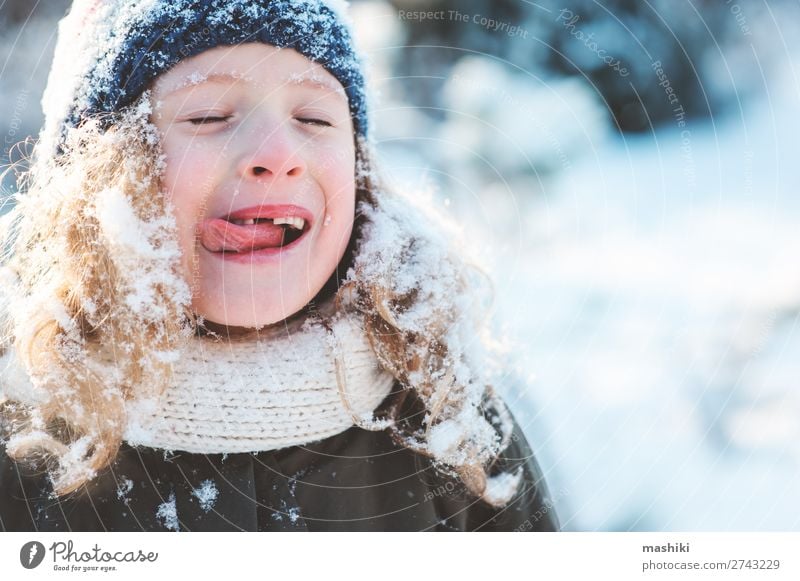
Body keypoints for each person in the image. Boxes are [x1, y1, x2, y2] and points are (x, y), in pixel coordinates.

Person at [0, 0, 558, 532]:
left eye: (314, 119)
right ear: (98, 182)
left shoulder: (448, 425)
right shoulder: (20, 439)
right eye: (208, 115)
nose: (278, 154)